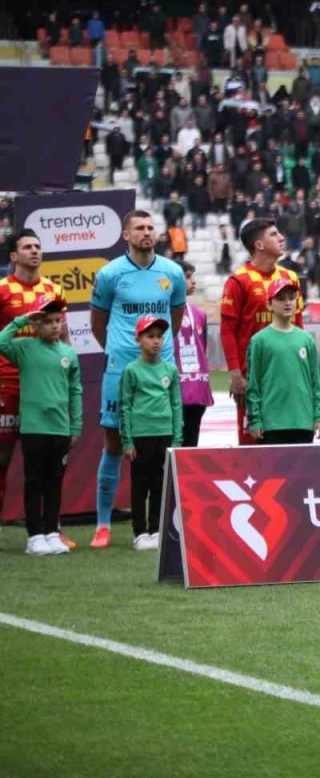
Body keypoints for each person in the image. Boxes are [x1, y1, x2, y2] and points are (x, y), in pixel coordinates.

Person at [89, 210, 186, 550]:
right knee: (114, 442)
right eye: (139, 228)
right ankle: (103, 524)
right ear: (126, 235)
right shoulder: (110, 274)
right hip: (122, 368)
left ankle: (159, 523)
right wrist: (120, 351)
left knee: (161, 444)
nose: (146, 233)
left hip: (161, 370)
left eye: (150, 227)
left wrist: (159, 353)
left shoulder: (172, 272)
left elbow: (174, 318)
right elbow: (97, 322)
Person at [0, 230, 70, 547]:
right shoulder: (3, 289)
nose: (34, 251)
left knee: (48, 462)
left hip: (43, 388)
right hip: (8, 385)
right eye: (27, 247)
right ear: (13, 256)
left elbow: (63, 336)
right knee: (2, 459)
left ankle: (51, 529)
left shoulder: (53, 289)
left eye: (38, 246)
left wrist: (67, 371)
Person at [0, 296, 80, 555]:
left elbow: (75, 391)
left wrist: (76, 427)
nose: (55, 326)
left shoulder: (68, 353)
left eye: (58, 321)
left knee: (54, 482)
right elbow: (1, 342)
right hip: (34, 429)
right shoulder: (24, 348)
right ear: (35, 325)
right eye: (47, 321)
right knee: (34, 481)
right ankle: (34, 536)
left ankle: (52, 532)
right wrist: (22, 319)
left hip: (60, 429)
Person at [220, 217, 304, 447]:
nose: (282, 238)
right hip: (252, 379)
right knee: (253, 449)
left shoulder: (290, 278)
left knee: (290, 445)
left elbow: (299, 328)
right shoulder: (238, 281)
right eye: (274, 234)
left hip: (288, 375)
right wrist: (236, 375)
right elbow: (227, 331)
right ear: (259, 244)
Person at [119, 314, 182, 551]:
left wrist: (177, 439)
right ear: (139, 339)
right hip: (141, 436)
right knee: (140, 485)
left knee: (159, 485)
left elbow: (176, 405)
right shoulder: (132, 370)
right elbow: (125, 406)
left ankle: (156, 529)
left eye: (159, 336)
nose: (156, 341)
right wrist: (127, 441)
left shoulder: (170, 370)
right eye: (150, 336)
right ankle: (140, 532)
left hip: (164, 434)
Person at [246, 277, 320, 445]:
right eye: (281, 299)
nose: (288, 302)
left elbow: (316, 382)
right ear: (269, 305)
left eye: (291, 298)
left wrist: (319, 416)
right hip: (271, 424)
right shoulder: (259, 341)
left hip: (303, 421)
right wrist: (255, 419)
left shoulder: (306, 339)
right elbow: (253, 384)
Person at [174, 262, 213, 447]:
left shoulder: (199, 314)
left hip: (196, 389)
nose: (194, 281)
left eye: (193, 276)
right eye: (188, 277)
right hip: (172, 390)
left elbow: (202, 349)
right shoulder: (161, 312)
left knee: (190, 445)